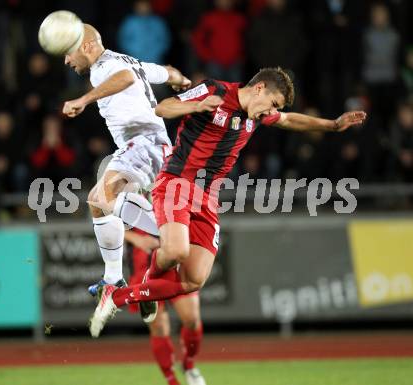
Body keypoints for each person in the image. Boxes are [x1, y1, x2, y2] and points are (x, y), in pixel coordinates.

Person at [89, 67, 367, 337]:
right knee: (176, 252)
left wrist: (332, 125)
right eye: (272, 104)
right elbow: (163, 108)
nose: (272, 112)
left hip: (207, 198)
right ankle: (142, 280)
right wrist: (196, 107)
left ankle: (123, 294)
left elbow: (289, 120)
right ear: (259, 88)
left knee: (193, 279)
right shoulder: (215, 91)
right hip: (176, 182)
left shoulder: (258, 115)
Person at [61, 23, 191, 297]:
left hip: (143, 143)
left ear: (86, 47)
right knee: (100, 204)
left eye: (69, 53)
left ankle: (175, 232)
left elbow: (125, 78)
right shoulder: (131, 61)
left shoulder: (105, 67)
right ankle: (114, 277)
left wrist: (84, 99)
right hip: (151, 147)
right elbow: (167, 71)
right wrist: (179, 79)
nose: (66, 60)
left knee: (100, 199)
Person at [125, 229, 206, 385]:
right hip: (143, 264)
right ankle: (172, 380)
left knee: (192, 319)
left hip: (175, 260)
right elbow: (103, 221)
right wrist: (135, 238)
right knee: (159, 327)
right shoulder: (119, 203)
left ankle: (189, 365)